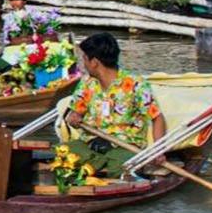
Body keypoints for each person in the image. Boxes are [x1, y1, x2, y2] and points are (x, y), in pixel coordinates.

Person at [60, 32, 166, 176]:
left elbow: (157, 118)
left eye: (84, 59)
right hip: (91, 144)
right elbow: (75, 113)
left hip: (125, 146)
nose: (82, 64)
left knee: (119, 167)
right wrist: (73, 117)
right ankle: (96, 164)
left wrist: (158, 150)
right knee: (62, 153)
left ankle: (96, 167)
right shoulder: (87, 83)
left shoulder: (136, 84)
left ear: (94, 62)